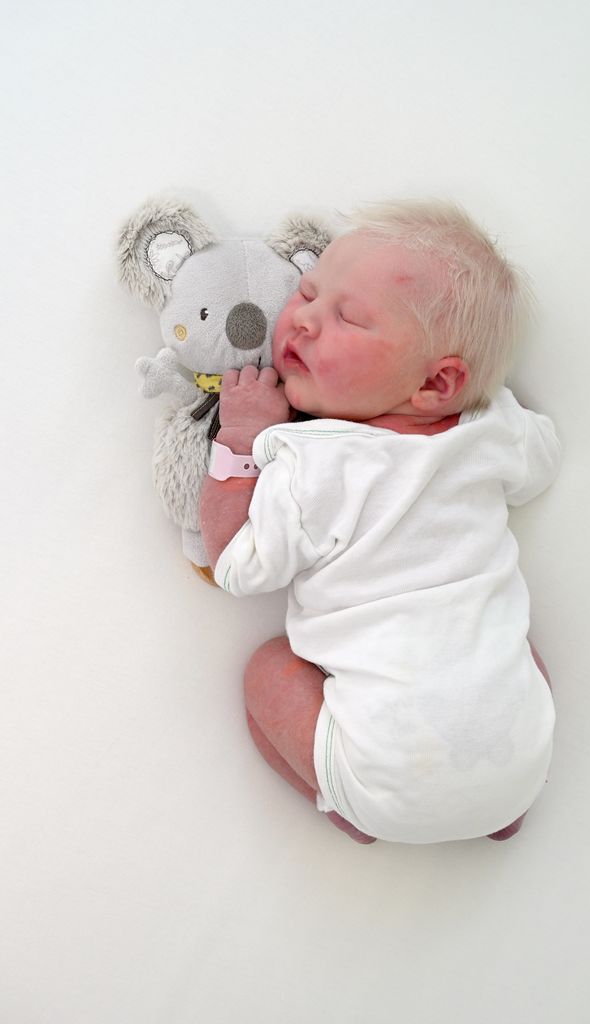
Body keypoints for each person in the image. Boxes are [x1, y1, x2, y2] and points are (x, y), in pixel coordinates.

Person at [200, 200, 560, 845]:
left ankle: (350, 813)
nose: (302, 318)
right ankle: (501, 814)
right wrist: (489, 404)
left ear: (436, 383)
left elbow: (234, 564)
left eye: (347, 317)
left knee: (267, 672)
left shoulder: (314, 466)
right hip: (521, 760)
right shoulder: (494, 432)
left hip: (379, 773)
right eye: (309, 292)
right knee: (513, 648)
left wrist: (243, 437)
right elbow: (543, 461)